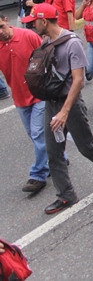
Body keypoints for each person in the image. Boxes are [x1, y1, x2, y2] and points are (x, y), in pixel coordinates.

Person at [21, 3, 93, 215]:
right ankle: (66, 195)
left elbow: (78, 81)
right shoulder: (45, 41)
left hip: (71, 103)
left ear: (44, 21)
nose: (32, 26)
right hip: (52, 103)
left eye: (34, 22)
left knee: (86, 147)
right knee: (53, 151)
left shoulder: (72, 43)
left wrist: (65, 111)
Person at [0, 12, 49, 193]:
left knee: (37, 133)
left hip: (39, 94)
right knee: (33, 134)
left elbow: (47, 57)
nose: (1, 32)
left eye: (1, 27)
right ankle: (57, 156)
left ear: (7, 21)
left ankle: (38, 175)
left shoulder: (28, 36)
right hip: (19, 97)